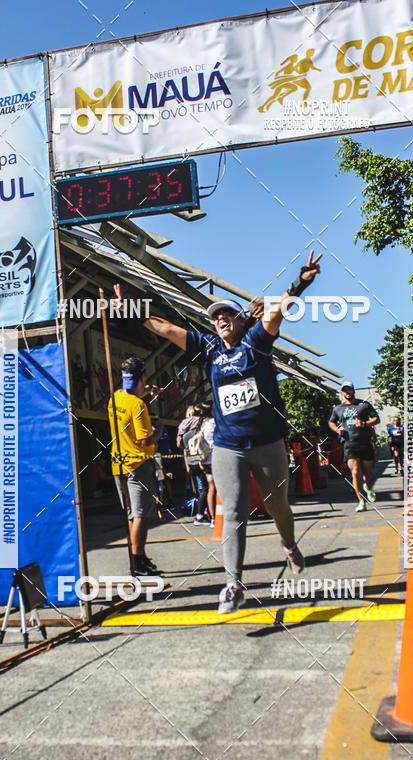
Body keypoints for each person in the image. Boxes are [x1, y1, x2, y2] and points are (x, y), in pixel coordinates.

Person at [117, 248, 322, 613]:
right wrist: (132, 308)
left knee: (278, 508)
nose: (222, 318)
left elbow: (275, 313)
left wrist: (299, 282)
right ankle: (233, 584)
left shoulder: (256, 342)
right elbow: (166, 327)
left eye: (228, 313)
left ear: (242, 320)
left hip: (267, 442)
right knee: (233, 511)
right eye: (216, 316)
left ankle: (289, 544)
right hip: (228, 446)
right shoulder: (208, 348)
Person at [108, 356, 160, 577]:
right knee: (141, 515)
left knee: (131, 515)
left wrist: (146, 391)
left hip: (118, 465)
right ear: (142, 377)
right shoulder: (138, 406)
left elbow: (131, 399)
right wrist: (159, 430)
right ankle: (137, 563)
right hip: (138, 465)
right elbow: (145, 441)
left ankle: (138, 556)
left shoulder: (115, 399)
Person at [329, 382, 380, 512]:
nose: (347, 392)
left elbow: (376, 419)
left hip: (365, 442)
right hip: (349, 443)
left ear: (353, 390)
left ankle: (368, 488)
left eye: (349, 390)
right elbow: (331, 422)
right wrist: (336, 429)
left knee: (368, 473)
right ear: (342, 392)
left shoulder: (363, 405)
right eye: (344, 390)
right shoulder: (338, 408)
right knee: (355, 473)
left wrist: (364, 423)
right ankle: (361, 501)